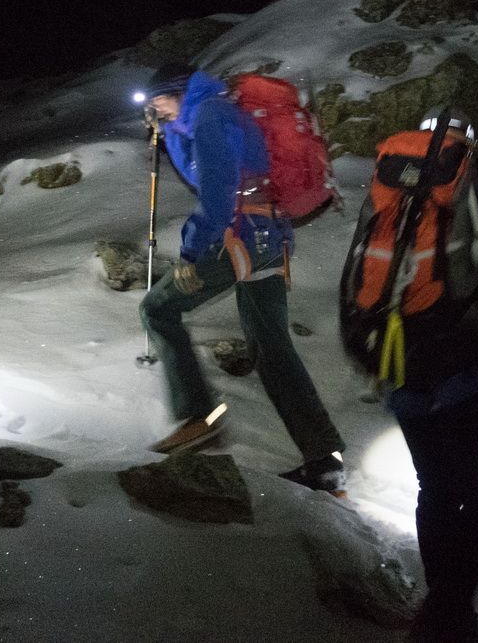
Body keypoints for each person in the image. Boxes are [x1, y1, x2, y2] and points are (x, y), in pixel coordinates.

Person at [341, 107, 478, 643]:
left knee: (436, 489)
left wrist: (366, 355)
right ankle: (446, 617)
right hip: (470, 363)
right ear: (471, 144)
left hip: (399, 361)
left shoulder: (390, 183)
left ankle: (446, 613)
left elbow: (359, 272)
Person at [137, 62, 347, 492]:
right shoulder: (211, 114)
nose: (158, 110)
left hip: (243, 235)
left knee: (157, 308)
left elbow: (216, 193)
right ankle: (324, 460)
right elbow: (209, 174)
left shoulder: (213, 115)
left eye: (159, 101)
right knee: (270, 345)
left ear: (179, 91)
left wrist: (193, 255)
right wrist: (170, 134)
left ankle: (200, 419)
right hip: (267, 234)